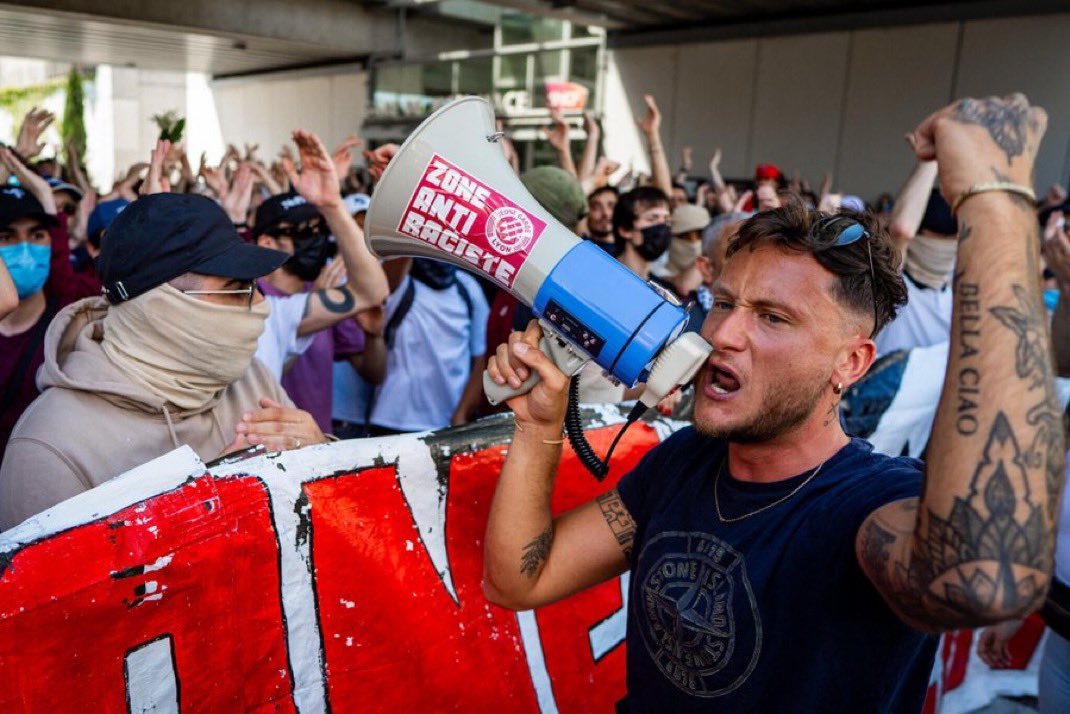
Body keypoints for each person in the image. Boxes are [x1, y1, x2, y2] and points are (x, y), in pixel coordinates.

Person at [482, 94, 1062, 711]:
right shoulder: (684, 463)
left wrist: (994, 198)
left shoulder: (867, 503)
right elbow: (522, 577)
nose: (724, 333)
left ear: (852, 363)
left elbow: (987, 577)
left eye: (774, 318)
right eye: (726, 303)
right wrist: (541, 423)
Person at [0, 192, 328, 529]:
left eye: (256, 285)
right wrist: (208, 503)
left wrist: (321, 458)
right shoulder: (52, 447)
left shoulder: (248, 376)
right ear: (160, 307)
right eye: (236, 287)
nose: (260, 303)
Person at [250, 131, 389, 382]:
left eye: (320, 228)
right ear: (266, 242)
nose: (315, 238)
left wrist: (332, 205)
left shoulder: (329, 290)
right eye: (303, 231)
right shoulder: (249, 300)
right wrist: (309, 316)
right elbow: (263, 376)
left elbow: (374, 374)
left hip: (324, 424)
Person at [0, 147, 100, 461]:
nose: (25, 248)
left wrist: (46, 195)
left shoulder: (72, 320)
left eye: (37, 235)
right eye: (7, 237)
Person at [876, 156, 956, 356]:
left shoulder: (959, 291)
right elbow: (902, 229)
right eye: (937, 236)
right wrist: (930, 159)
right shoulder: (891, 284)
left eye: (950, 237)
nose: (943, 245)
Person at [584, 185, 619, 254]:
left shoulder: (629, 257)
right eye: (596, 207)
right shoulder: (576, 243)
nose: (606, 213)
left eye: (612, 206)